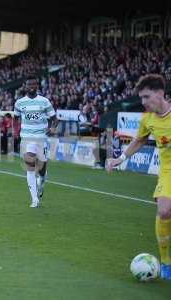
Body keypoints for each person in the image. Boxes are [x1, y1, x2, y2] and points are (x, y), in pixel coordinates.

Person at [107, 74, 171, 280]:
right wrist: (120, 158)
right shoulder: (147, 118)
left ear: (160, 93)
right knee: (164, 211)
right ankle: (166, 261)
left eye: (146, 97)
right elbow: (139, 140)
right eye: (141, 98)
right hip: (169, 171)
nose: (143, 102)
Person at [14, 76, 57, 208]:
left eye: (34, 84)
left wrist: (52, 127)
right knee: (30, 165)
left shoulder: (44, 101)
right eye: (29, 84)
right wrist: (16, 132)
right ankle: (34, 199)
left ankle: (42, 180)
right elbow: (16, 118)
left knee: (42, 168)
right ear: (25, 86)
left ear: (37, 86)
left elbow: (54, 118)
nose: (32, 86)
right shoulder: (20, 103)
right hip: (27, 138)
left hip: (41, 138)